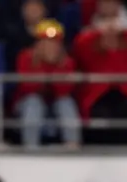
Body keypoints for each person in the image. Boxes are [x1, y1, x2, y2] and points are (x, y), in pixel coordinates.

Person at [14, 19, 80, 148]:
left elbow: (64, 90)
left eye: (54, 42)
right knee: (34, 102)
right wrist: (40, 65)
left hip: (55, 104)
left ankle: (72, 146)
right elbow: (28, 87)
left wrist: (56, 66)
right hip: (27, 104)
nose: (50, 46)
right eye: (46, 41)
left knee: (66, 103)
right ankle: (31, 147)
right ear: (38, 43)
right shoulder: (25, 57)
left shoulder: (67, 62)